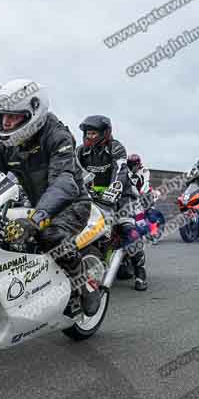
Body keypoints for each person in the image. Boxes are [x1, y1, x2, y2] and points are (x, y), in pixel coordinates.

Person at [0, 79, 102, 316]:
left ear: (33, 113)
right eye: (3, 116)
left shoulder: (57, 135)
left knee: (48, 234)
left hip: (70, 203)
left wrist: (35, 219)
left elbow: (64, 182)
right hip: (35, 203)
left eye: (13, 117)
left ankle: (84, 285)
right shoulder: (4, 144)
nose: (6, 122)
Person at [75, 116, 147, 291]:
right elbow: (72, 171)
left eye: (93, 133)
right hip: (91, 194)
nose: (89, 137)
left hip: (121, 195)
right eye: (87, 133)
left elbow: (120, 171)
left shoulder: (116, 148)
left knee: (128, 230)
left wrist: (113, 190)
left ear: (105, 133)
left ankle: (140, 271)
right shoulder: (80, 151)